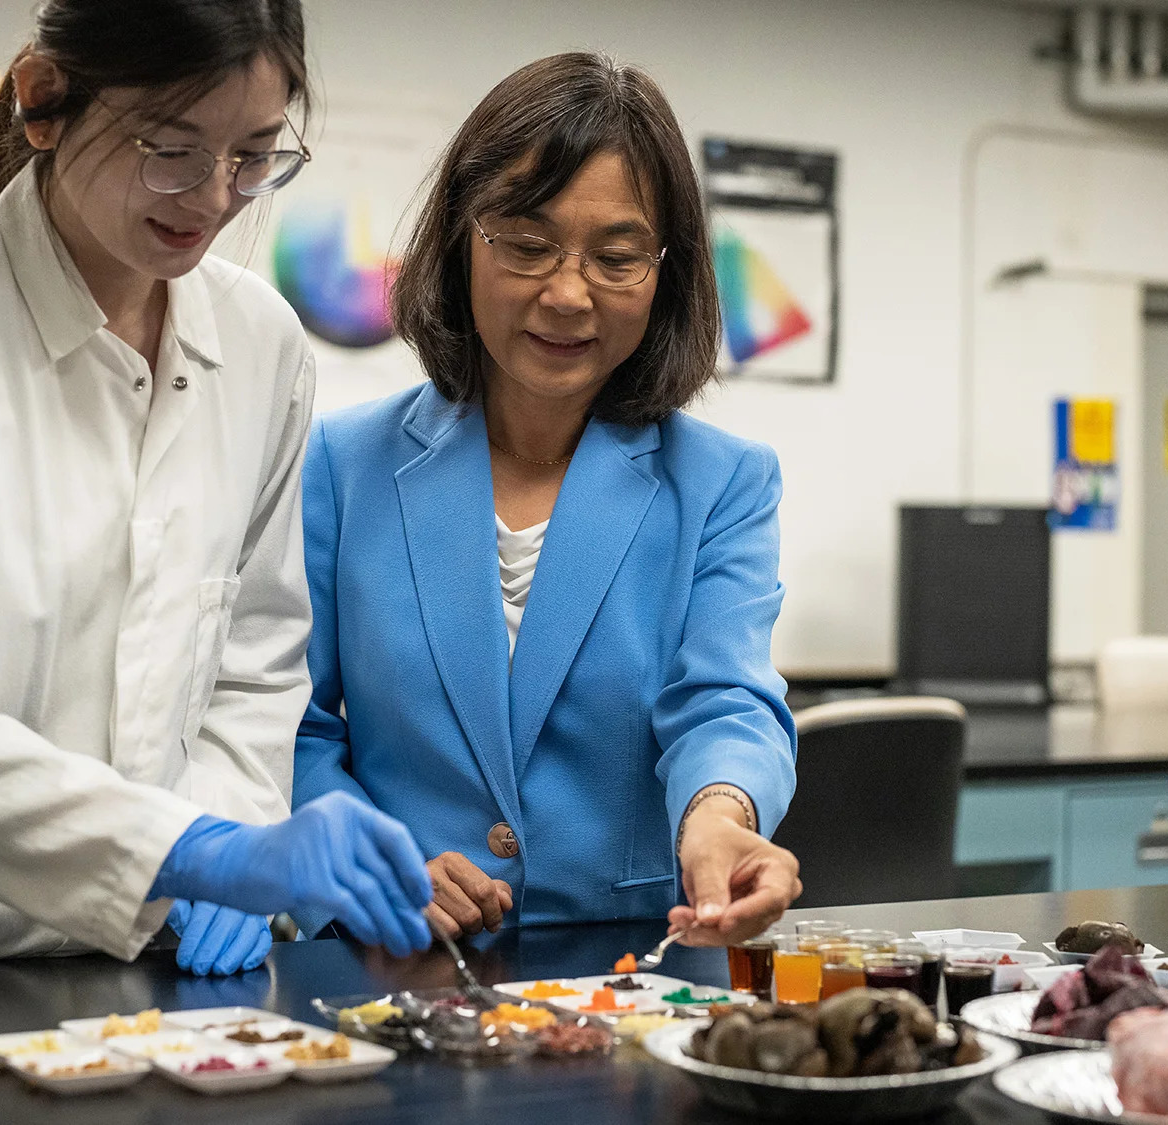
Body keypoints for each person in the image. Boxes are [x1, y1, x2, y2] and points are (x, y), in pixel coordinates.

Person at [0, 0, 432, 977]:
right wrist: (187, 851)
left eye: (254, 155)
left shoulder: (262, 346)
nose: (212, 197)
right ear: (42, 101)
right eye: (172, 148)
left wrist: (224, 842)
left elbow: (254, 656)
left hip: (143, 969)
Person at [293, 53, 801, 946]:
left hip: (636, 963)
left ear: (665, 271)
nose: (568, 294)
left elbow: (726, 699)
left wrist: (721, 813)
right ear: (461, 238)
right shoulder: (345, 464)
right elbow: (291, 724)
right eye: (526, 246)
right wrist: (371, 859)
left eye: (616, 258)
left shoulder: (722, 481)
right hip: (401, 962)